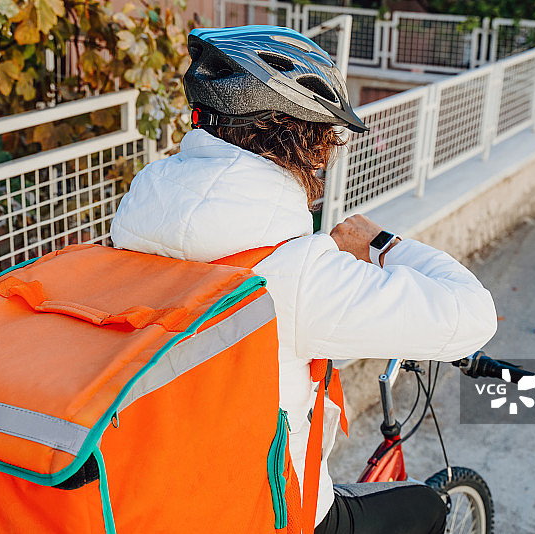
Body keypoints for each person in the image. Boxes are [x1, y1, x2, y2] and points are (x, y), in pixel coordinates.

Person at [110, 25, 497, 534]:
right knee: (424, 508)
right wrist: (381, 245)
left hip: (148, 496)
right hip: (261, 516)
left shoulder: (132, 223)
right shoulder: (296, 276)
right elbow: (473, 314)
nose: (326, 156)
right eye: (326, 139)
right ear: (298, 138)